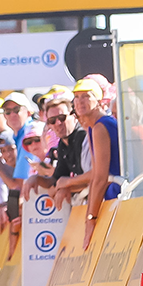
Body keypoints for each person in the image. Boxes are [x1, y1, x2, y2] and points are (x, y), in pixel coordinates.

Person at [53, 75, 122, 243]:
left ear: (98, 100)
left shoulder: (100, 126)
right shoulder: (93, 128)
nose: (80, 101)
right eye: (76, 97)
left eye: (86, 96)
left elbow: (100, 177)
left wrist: (91, 218)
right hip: (114, 193)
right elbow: (95, 177)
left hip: (118, 193)